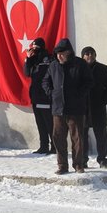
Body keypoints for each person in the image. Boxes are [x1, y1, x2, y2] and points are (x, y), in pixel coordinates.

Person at [42, 38, 94, 175]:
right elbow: (45, 81)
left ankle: (78, 164)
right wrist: (51, 93)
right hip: (58, 109)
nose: (59, 56)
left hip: (76, 108)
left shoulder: (80, 64)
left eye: (62, 53)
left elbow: (89, 82)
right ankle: (62, 165)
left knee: (77, 138)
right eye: (57, 53)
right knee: (58, 137)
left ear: (69, 52)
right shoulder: (53, 65)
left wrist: (79, 94)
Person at [81, 46, 107, 169]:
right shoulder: (79, 68)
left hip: (98, 108)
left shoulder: (103, 69)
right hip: (83, 109)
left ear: (95, 55)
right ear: (83, 56)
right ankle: (83, 159)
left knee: (101, 135)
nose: (89, 56)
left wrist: (102, 102)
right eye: (87, 54)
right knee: (82, 136)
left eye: (92, 53)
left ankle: (102, 159)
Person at [23, 37, 55, 154]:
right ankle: (43, 146)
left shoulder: (48, 59)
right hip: (36, 96)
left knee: (49, 123)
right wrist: (28, 59)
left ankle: (54, 146)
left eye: (37, 48)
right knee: (40, 123)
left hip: (46, 97)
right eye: (33, 47)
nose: (34, 50)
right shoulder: (33, 60)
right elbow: (27, 73)